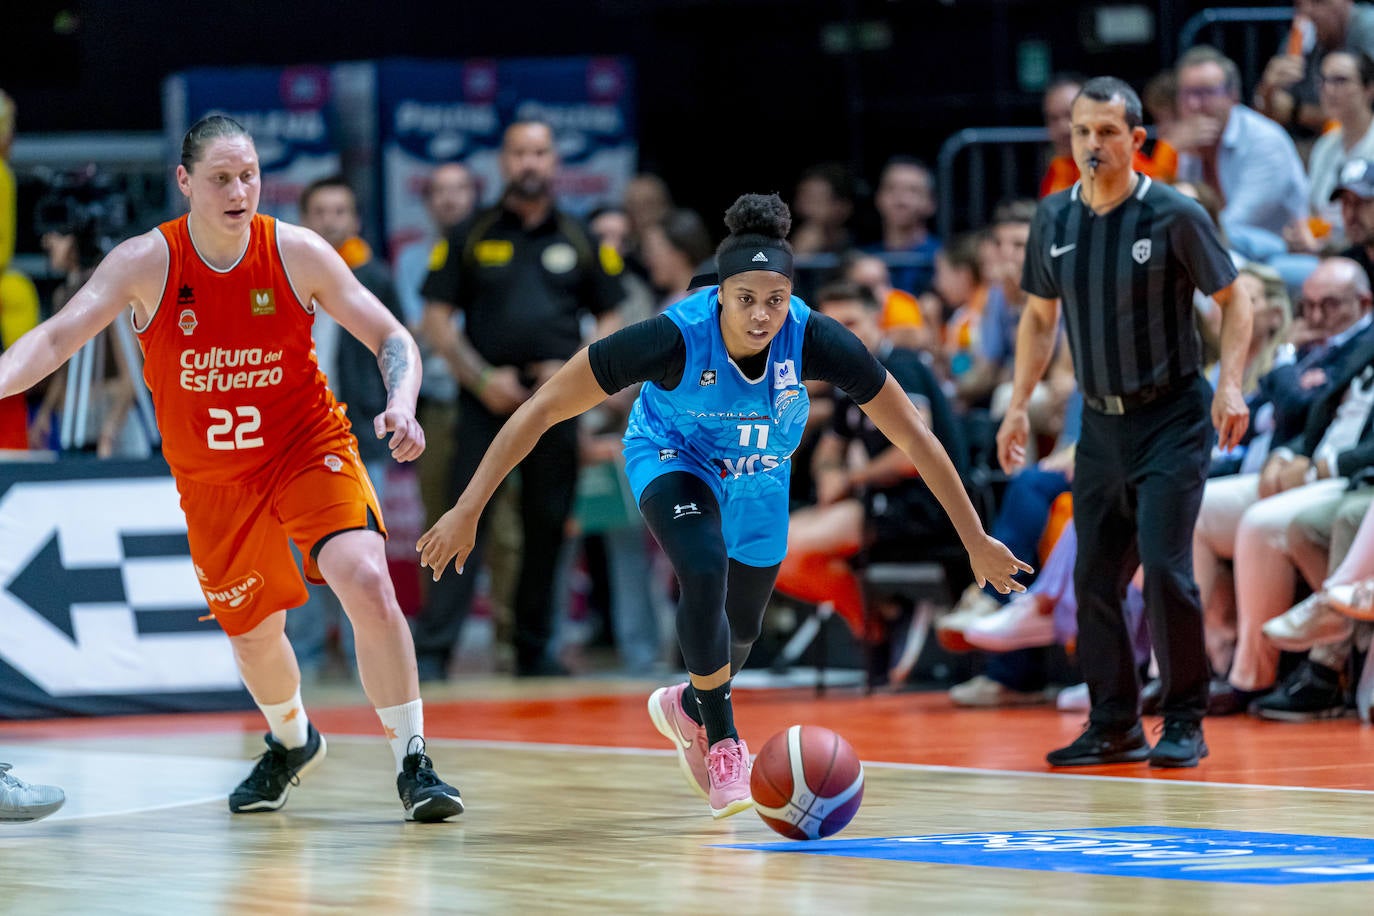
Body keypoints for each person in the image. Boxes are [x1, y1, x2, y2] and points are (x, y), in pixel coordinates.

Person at [418, 193, 1030, 818]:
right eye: (745, 299)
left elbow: (915, 436)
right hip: (672, 458)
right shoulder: (672, 337)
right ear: (720, 295)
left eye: (775, 299)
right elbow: (542, 407)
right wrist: (467, 508)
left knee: (737, 634)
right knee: (703, 568)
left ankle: (688, 705)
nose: (761, 314)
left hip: (760, 474)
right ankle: (725, 744)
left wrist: (975, 537)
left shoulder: (817, 339)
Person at [0, 115, 462, 822]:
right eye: (221, 178)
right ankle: (291, 740)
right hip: (215, 481)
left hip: (306, 447)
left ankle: (414, 762)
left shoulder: (295, 251)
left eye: (248, 175)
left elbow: (389, 333)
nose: (239, 190)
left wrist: (402, 401)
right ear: (184, 182)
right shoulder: (145, 261)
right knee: (254, 636)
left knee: (366, 578)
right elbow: (60, 337)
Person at [998, 77, 1254, 769]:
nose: (1093, 144)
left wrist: (1229, 386)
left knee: (1167, 571)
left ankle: (1183, 719)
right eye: (1082, 132)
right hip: (1101, 426)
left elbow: (1238, 301)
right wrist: (1019, 401)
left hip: (1172, 416)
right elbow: (1039, 317)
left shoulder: (1174, 213)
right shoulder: (1053, 219)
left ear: (1137, 140)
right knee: (1093, 579)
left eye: (1107, 132)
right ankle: (1113, 723)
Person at [414, 119, 624, 680]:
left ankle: (534, 650)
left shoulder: (580, 236)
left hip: (556, 403)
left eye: (540, 152)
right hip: (487, 401)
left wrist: (574, 374)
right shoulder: (471, 233)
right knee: (463, 514)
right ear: (503, 162)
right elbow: (436, 321)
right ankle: (434, 651)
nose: (530, 163)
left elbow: (610, 318)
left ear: (555, 162)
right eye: (519, 153)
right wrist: (481, 378)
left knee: (547, 524)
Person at [291, 174, 408, 681]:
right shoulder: (287, 275)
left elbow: (396, 346)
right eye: (321, 211)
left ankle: (366, 663)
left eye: (341, 211)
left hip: (360, 429)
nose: (332, 220)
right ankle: (308, 656)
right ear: (305, 219)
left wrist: (392, 405)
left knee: (360, 552)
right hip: (296, 432)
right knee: (302, 550)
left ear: (355, 219)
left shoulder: (375, 278)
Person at [392, 162, 478, 534]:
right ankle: (440, 595)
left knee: (503, 521)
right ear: (426, 202)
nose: (450, 198)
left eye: (459, 189)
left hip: (490, 397)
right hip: (437, 398)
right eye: (440, 190)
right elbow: (412, 328)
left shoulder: (491, 251)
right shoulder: (412, 259)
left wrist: (437, 327)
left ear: (474, 197)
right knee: (438, 512)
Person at [1254, 0, 1374, 141]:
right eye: (1299, 5)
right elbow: (1264, 118)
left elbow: (1356, 117)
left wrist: (1297, 112)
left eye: (1319, 2)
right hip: (1315, 145)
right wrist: (1267, 91)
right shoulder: (1305, 34)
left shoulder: (1368, 28)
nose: (1308, 11)